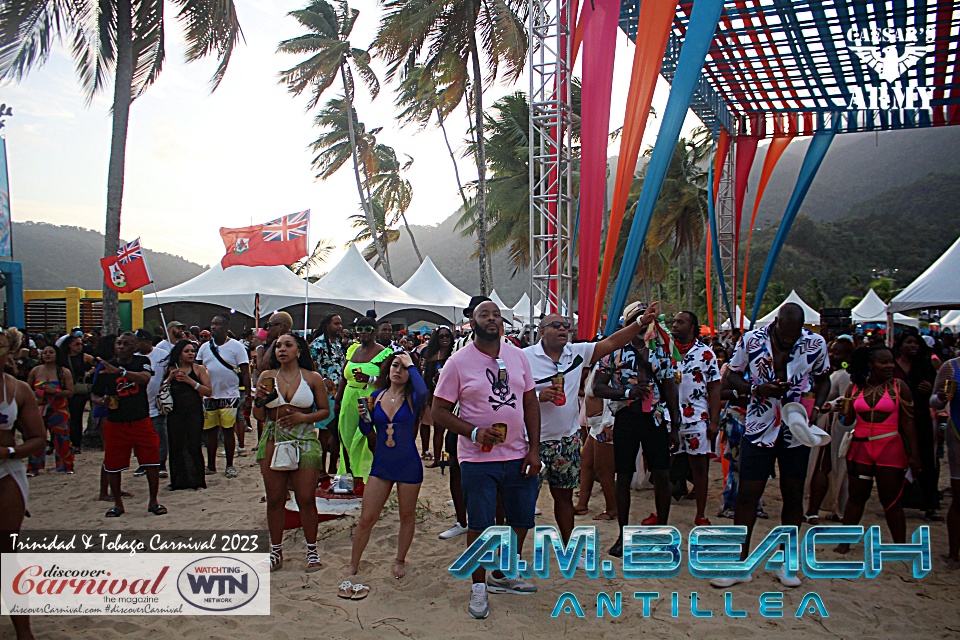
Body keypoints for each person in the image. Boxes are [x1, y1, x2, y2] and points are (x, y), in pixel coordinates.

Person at [433, 300, 541, 619]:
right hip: (477, 459)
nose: (492, 319)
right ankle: (478, 586)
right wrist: (473, 432)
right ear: (473, 323)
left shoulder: (518, 356)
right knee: (481, 525)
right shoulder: (458, 362)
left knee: (521, 519)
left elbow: (531, 404)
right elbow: (438, 411)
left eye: (496, 315)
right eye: (484, 315)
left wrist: (534, 449)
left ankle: (502, 574)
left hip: (519, 454)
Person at [524, 303, 662, 547]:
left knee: (564, 499)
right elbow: (512, 394)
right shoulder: (524, 358)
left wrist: (640, 323)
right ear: (541, 331)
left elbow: (612, 343)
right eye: (555, 325)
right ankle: (514, 556)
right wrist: (538, 397)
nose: (562, 329)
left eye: (566, 326)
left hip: (566, 440)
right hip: (531, 442)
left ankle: (569, 548)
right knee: (522, 502)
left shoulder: (577, 352)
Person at [713, 303, 829, 588]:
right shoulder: (752, 340)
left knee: (792, 494)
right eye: (784, 334)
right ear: (776, 322)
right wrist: (755, 389)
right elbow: (732, 375)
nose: (788, 340)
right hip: (759, 425)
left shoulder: (815, 343)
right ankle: (741, 563)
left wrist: (816, 407)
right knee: (748, 493)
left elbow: (823, 377)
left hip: (795, 427)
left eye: (794, 335)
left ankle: (785, 563)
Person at [593, 302, 681, 557]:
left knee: (662, 475)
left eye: (649, 319)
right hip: (627, 418)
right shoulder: (615, 351)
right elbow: (598, 387)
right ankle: (623, 535)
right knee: (623, 476)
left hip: (654, 419)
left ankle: (663, 534)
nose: (646, 324)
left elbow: (669, 388)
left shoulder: (660, 351)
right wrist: (625, 392)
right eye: (640, 319)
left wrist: (675, 425)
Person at [343, 352, 426, 590]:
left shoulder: (412, 397)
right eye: (394, 365)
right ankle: (353, 563)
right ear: (387, 370)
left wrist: (411, 365)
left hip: (408, 463)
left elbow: (423, 392)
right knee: (366, 518)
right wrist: (364, 419)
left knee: (407, 515)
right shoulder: (375, 396)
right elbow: (367, 429)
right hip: (382, 463)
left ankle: (400, 559)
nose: (398, 370)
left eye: (403, 368)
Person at [253, 332, 330, 573]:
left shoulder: (312, 377)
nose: (281, 349)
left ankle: (311, 550)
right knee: (275, 499)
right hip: (274, 438)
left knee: (306, 498)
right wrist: (258, 401)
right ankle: (276, 550)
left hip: (305, 438)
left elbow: (325, 411)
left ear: (299, 351)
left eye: (288, 345)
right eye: (278, 346)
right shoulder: (266, 377)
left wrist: (303, 417)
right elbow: (258, 416)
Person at [834, 346, 921, 553]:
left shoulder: (899, 387)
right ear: (870, 365)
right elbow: (848, 420)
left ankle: (900, 545)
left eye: (891, 361)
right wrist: (841, 412)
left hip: (889, 446)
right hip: (860, 447)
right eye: (884, 362)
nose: (890, 366)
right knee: (856, 497)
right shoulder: (855, 388)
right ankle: (844, 542)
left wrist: (915, 455)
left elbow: (908, 423)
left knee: (891, 500)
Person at [0, 327, 46, 640]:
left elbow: (38, 439)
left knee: (7, 555)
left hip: (6, 471)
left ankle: (24, 632)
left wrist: (9, 451)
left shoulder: (16, 390)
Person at [91, 332, 166, 517]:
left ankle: (153, 501)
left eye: (126, 343)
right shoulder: (106, 366)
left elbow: (145, 378)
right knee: (113, 465)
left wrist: (121, 372)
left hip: (140, 419)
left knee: (151, 462)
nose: (121, 346)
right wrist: (102, 401)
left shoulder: (141, 362)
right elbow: (94, 394)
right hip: (116, 422)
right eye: (119, 343)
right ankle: (118, 504)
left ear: (135, 347)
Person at [670, 310, 721, 526]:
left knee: (699, 468)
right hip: (668, 417)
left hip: (697, 418)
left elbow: (715, 387)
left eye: (680, 322)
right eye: (674, 322)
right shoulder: (665, 351)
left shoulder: (705, 353)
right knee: (664, 467)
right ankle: (660, 512)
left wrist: (715, 421)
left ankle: (700, 514)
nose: (675, 325)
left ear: (692, 328)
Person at [333, 317, 390, 493]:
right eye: (360, 328)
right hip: (349, 399)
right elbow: (344, 377)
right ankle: (347, 475)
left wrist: (369, 379)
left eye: (367, 328)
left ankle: (367, 477)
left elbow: (387, 380)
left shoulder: (384, 353)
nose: (363, 331)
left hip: (369, 399)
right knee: (346, 435)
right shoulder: (352, 350)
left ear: (374, 331)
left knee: (365, 436)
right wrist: (337, 399)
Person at [893, 328, 941, 521]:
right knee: (897, 460)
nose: (913, 346)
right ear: (901, 345)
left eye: (916, 343)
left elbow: (937, 395)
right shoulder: (892, 366)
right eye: (909, 342)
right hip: (895, 419)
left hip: (920, 418)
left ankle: (930, 504)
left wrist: (930, 390)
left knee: (925, 460)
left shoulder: (925, 367)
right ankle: (898, 499)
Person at [197, 313, 251, 478]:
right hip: (210, 396)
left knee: (228, 430)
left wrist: (248, 395)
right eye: (212, 324)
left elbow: (245, 372)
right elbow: (198, 369)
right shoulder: (205, 347)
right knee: (210, 431)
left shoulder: (236, 347)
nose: (213, 327)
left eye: (218, 324)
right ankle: (211, 465)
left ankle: (229, 465)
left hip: (229, 394)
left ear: (226, 327)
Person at [807, 337, 855, 523]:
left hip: (834, 426)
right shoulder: (834, 373)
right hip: (825, 423)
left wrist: (827, 406)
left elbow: (845, 399)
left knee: (827, 467)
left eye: (837, 352)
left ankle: (824, 509)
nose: (832, 355)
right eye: (831, 351)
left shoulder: (844, 375)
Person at [164, 340, 212, 490]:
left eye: (192, 351)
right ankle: (178, 480)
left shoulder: (198, 369)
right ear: (179, 354)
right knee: (176, 445)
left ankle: (196, 480)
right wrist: (170, 378)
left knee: (193, 444)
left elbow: (208, 391)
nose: (191, 354)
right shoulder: (171, 370)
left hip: (193, 411)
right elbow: (160, 390)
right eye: (187, 351)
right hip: (175, 412)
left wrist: (190, 381)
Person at [573, 363, 617, 520]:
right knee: (586, 462)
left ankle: (612, 509)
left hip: (605, 423)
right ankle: (582, 504)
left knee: (603, 468)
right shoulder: (595, 368)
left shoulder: (609, 367)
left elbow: (612, 398)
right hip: (595, 424)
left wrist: (609, 423)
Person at [26, 344, 75, 475]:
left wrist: (56, 391)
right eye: (45, 352)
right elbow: (27, 389)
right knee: (37, 437)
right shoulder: (35, 371)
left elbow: (70, 391)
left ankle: (66, 466)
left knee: (61, 437)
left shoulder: (63, 371)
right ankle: (34, 467)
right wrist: (35, 393)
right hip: (39, 409)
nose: (47, 354)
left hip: (59, 409)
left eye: (51, 352)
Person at [931, 355, 960, 567]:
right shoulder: (951, 367)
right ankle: (953, 553)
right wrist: (941, 397)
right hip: (958, 435)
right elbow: (934, 400)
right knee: (958, 497)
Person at [310, 313, 346, 476]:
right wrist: (323, 379)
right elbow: (312, 366)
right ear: (327, 325)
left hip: (340, 392)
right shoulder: (318, 344)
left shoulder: (338, 343)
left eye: (340, 324)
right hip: (326, 394)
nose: (339, 327)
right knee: (325, 433)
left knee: (338, 432)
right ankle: (321, 469)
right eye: (336, 324)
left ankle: (333, 466)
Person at [133, 329, 170, 478]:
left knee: (159, 434)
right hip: (138, 405)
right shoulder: (133, 358)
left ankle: (161, 463)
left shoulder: (162, 355)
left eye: (138, 342)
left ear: (147, 342)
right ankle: (143, 463)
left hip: (156, 403)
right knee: (139, 437)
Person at [420, 325, 454, 466]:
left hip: (453, 395)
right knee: (435, 427)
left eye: (447, 335)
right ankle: (437, 459)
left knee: (451, 429)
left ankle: (451, 457)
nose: (445, 338)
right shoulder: (429, 354)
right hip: (433, 394)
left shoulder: (454, 353)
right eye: (441, 336)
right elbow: (423, 375)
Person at [63, 334, 95, 454]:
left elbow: (97, 364)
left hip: (78, 392)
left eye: (81, 344)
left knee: (76, 417)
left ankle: (76, 443)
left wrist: (88, 373)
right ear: (70, 345)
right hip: (65, 389)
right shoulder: (63, 357)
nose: (80, 346)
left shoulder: (84, 357)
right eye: (77, 344)